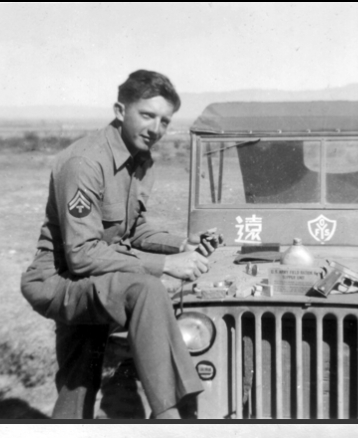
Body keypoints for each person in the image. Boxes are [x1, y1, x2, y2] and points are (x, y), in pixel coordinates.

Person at [21, 69, 220, 419]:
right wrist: (165, 266)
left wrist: (181, 245)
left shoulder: (140, 160)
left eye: (164, 121)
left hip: (100, 279)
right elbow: (82, 255)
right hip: (61, 281)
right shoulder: (85, 162)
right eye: (147, 115)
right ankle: (170, 413)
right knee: (146, 290)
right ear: (119, 111)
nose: (155, 129)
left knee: (77, 386)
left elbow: (135, 230)